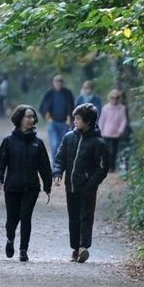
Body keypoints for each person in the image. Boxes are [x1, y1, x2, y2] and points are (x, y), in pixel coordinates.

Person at [0, 104, 52, 262]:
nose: (31, 119)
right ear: (19, 119)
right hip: (12, 187)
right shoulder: (8, 141)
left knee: (26, 217)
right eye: (28, 116)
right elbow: (0, 162)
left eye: (33, 117)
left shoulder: (38, 144)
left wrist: (47, 186)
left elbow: (44, 166)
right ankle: (10, 239)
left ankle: (23, 250)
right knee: (12, 219)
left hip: (31, 187)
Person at [52, 102, 109, 263]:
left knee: (86, 216)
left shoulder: (99, 143)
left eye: (78, 118)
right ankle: (75, 248)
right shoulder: (68, 137)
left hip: (88, 188)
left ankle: (83, 247)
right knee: (73, 218)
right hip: (70, 186)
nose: (74, 121)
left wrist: (91, 183)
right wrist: (57, 173)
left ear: (88, 121)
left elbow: (103, 167)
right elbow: (60, 157)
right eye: (75, 117)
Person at [39, 74, 75, 160]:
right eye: (56, 81)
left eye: (60, 81)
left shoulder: (68, 93)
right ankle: (54, 165)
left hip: (65, 123)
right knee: (54, 144)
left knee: (62, 145)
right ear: (53, 83)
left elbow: (72, 107)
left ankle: (60, 165)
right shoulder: (49, 93)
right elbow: (42, 107)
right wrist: (48, 117)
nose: (58, 83)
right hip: (53, 123)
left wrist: (70, 119)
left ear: (63, 83)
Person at [98, 89, 128, 172]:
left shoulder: (122, 108)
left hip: (117, 133)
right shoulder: (105, 108)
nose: (114, 99)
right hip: (106, 133)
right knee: (106, 151)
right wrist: (100, 131)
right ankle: (105, 166)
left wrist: (121, 130)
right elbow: (102, 120)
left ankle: (112, 167)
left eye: (116, 98)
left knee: (114, 151)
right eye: (112, 98)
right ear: (109, 98)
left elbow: (123, 120)